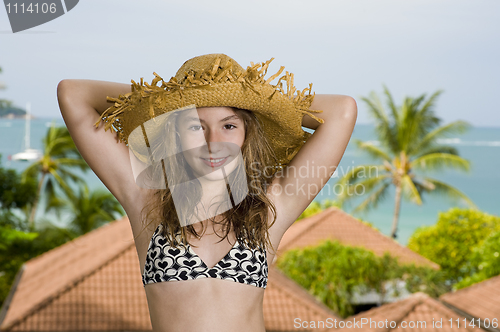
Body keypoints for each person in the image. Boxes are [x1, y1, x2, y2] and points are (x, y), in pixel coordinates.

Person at [57, 53, 357, 332]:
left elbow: (342, 110)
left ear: (246, 134)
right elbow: (72, 94)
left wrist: (253, 98)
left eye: (229, 126)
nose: (214, 142)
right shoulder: (145, 198)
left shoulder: (268, 209)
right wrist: (167, 98)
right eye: (196, 127)